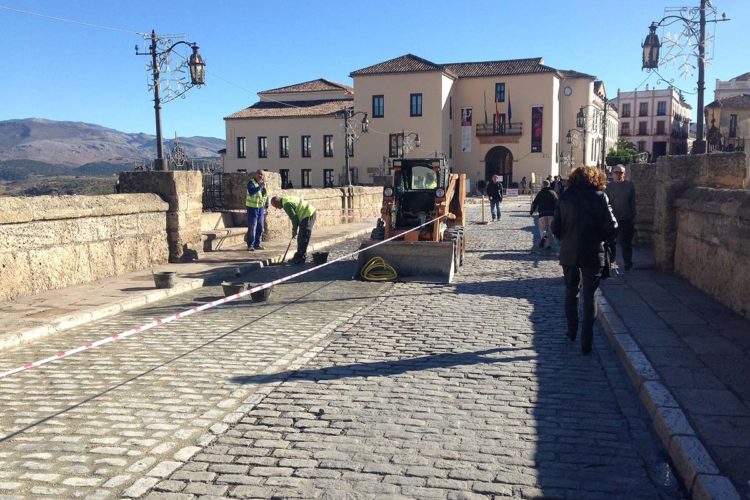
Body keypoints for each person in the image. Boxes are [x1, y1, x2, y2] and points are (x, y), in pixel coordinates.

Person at [552, 166, 617, 355]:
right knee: (590, 296)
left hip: (569, 252)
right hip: (593, 251)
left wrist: (567, 238)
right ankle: (586, 341)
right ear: (594, 178)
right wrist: (601, 237)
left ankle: (571, 331)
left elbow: (556, 227)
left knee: (571, 292)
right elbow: (612, 226)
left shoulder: (565, 197)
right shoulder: (600, 197)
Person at [606, 164, 636, 271]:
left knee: (626, 243)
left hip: (626, 219)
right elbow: (606, 203)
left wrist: (633, 216)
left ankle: (628, 262)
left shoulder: (629, 186)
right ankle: (610, 261)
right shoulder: (608, 187)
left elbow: (632, 202)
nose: (618, 174)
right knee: (610, 242)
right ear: (612, 173)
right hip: (612, 219)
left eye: (621, 172)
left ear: (624, 174)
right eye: (616, 172)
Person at [270, 195, 317, 264]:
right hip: (307, 213)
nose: (277, 208)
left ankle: (301, 257)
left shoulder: (286, 205)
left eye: (276, 206)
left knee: (303, 236)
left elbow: (294, 219)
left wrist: (294, 230)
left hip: (308, 214)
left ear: (277, 202)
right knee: (301, 237)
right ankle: (300, 256)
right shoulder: (286, 199)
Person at [529, 179, 558, 250]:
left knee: (542, 228)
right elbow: (557, 203)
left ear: (543, 185)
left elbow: (535, 203)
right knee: (550, 229)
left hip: (542, 213)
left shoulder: (540, 193)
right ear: (549, 185)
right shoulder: (553, 193)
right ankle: (548, 245)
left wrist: (531, 211)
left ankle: (544, 236)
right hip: (551, 213)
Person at [245, 169, 269, 251]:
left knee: (260, 227)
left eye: (262, 174)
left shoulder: (264, 184)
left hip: (261, 208)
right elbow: (251, 192)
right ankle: (250, 245)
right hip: (252, 208)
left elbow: (266, 196)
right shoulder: (251, 182)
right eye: (259, 174)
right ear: (256, 174)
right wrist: (259, 187)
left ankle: (257, 244)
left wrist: (267, 207)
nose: (260, 176)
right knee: (252, 226)